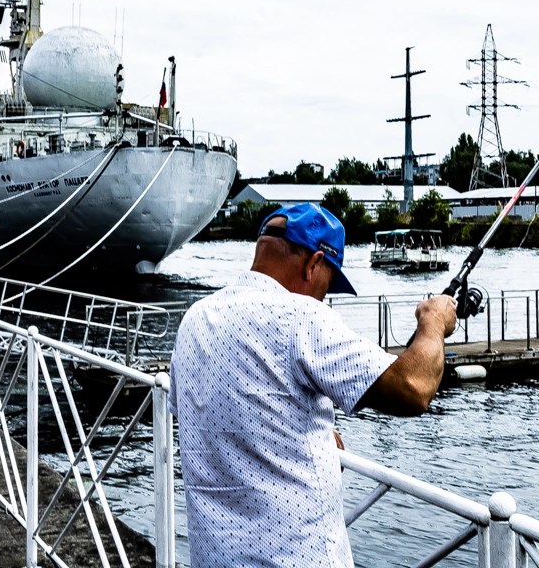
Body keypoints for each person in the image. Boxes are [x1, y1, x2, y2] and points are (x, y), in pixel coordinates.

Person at [170, 202, 457, 567]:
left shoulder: (195, 319)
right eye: (329, 281)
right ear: (313, 264)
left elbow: (224, 421)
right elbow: (414, 388)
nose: (326, 295)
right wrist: (433, 321)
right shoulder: (300, 316)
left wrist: (316, 443)